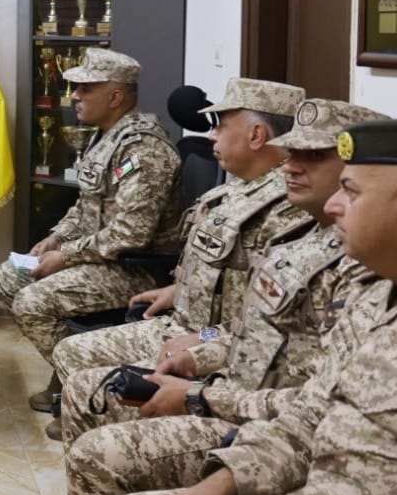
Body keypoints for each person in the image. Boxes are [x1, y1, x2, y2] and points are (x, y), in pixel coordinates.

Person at [21, 100, 386, 495]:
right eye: (292, 154)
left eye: (316, 159)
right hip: (242, 397)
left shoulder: (362, 268)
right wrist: (201, 352)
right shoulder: (300, 234)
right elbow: (246, 328)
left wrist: (200, 392)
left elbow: (313, 407)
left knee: (103, 452)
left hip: (262, 424)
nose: (292, 167)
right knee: (89, 389)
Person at [103, 118, 397, 495]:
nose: (334, 205)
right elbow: (308, 415)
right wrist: (227, 477)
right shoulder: (377, 296)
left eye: (350, 191)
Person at [48, 78, 307, 388]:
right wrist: (179, 290)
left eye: (222, 125)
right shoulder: (238, 188)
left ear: (256, 135)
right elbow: (230, 276)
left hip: (218, 346)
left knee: (88, 385)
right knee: (70, 354)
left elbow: (268, 326)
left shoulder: (288, 210)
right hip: (184, 325)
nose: (212, 135)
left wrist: (204, 337)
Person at [0, 48, 182, 407]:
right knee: (9, 277)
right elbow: (86, 206)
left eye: (86, 89)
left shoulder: (144, 149)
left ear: (116, 97)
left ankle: (86, 389)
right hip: (100, 257)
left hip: (136, 270)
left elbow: (132, 234)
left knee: (32, 302)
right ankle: (71, 371)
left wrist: (66, 257)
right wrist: (57, 238)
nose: (75, 96)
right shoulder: (107, 136)